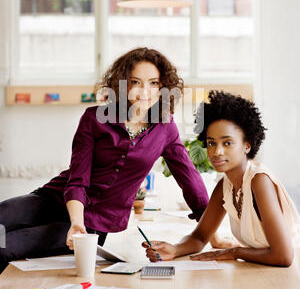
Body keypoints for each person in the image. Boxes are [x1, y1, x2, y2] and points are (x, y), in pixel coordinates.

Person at [0, 48, 224, 274]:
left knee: (5, 246)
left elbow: (191, 183)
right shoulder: (93, 118)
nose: (145, 91)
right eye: (136, 82)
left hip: (95, 224)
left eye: (154, 83)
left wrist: (213, 237)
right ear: (122, 85)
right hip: (56, 199)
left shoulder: (166, 128)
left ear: (164, 87)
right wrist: (76, 221)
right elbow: (78, 180)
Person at [143, 90, 300, 267]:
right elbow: (200, 237)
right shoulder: (225, 185)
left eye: (227, 143)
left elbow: (284, 256)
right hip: (261, 270)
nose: (217, 152)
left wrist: (234, 252)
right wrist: (174, 249)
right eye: (211, 143)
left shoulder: (259, 181)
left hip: (290, 275)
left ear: (247, 145)